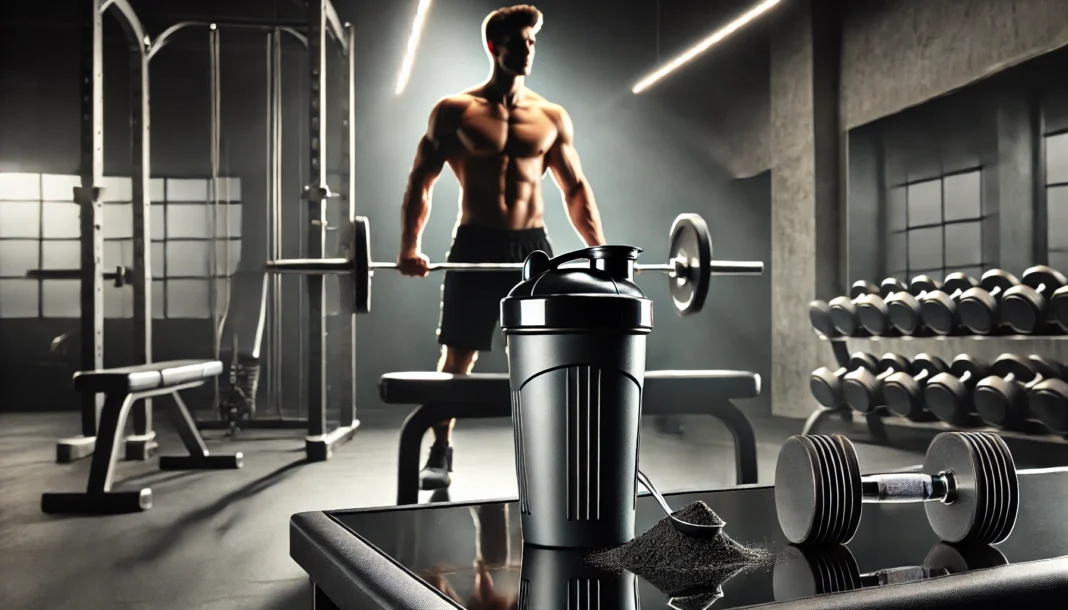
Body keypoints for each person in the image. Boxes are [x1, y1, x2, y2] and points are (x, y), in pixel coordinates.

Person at [397, 4, 607, 491]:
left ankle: (545, 460)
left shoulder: (550, 116)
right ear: (495, 47)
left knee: (538, 355)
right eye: (519, 43)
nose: (528, 51)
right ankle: (441, 450)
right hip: (475, 243)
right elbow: (420, 184)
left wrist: (600, 254)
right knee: (458, 356)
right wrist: (410, 246)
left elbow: (575, 190)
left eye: (533, 43)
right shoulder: (456, 111)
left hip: (533, 249)